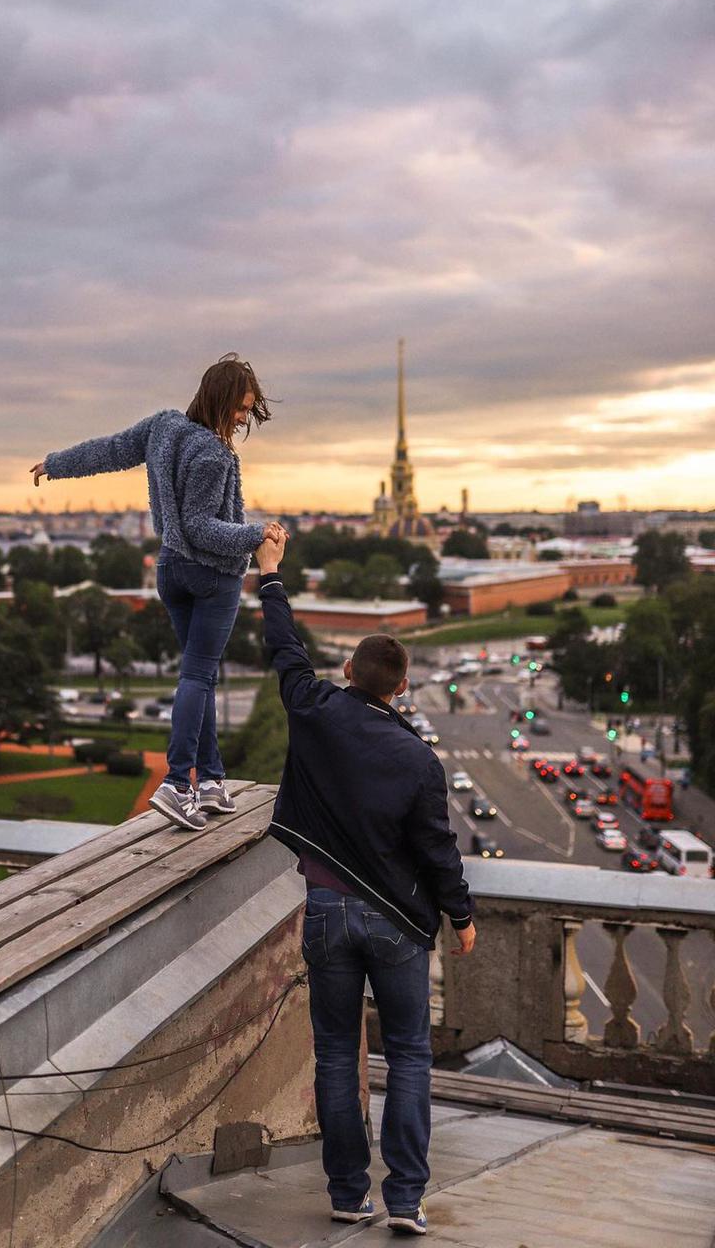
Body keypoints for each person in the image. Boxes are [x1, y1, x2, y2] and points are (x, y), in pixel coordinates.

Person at [255, 528, 475, 1236]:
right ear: (401, 685)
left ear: (348, 668)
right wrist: (461, 917)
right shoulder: (417, 759)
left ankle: (348, 1192)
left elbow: (285, 651)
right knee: (409, 1053)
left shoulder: (314, 710)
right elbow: (437, 849)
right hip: (399, 924)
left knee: (332, 1053)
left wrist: (271, 576)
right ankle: (405, 1199)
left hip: (326, 912)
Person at [31, 354, 285, 831]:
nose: (242, 418)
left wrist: (56, 464)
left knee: (200, 677)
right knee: (197, 676)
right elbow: (202, 528)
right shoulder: (213, 454)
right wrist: (257, 535)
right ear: (222, 399)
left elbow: (111, 450)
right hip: (211, 575)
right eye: (240, 408)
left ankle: (210, 780)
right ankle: (175, 783)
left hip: (170, 570)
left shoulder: (164, 427)